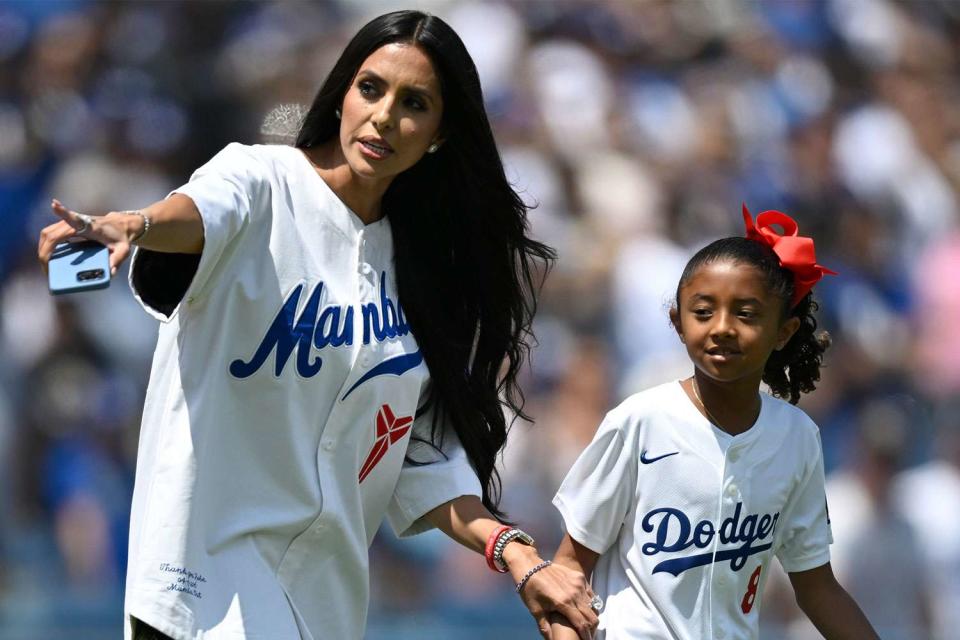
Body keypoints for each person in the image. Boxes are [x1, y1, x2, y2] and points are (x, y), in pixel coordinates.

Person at [37, 10, 599, 640]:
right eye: (371, 88)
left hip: (320, 606)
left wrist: (520, 558)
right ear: (341, 95)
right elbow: (201, 211)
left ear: (440, 134)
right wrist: (136, 224)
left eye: (414, 102)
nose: (384, 115)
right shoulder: (260, 180)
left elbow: (420, 460)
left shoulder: (423, 274)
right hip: (202, 589)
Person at [548, 206, 881, 639]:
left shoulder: (797, 438)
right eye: (703, 312)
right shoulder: (640, 421)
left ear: (784, 331)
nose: (722, 328)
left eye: (746, 313)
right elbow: (568, 570)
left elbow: (817, 588)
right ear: (678, 323)